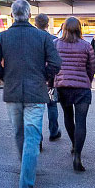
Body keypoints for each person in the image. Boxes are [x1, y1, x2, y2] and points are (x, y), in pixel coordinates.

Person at [0, 0, 61, 188]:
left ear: (12, 15)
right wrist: (43, 76)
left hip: (12, 92)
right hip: (35, 92)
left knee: (19, 134)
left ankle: (26, 170)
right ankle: (26, 183)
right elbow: (56, 63)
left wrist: (6, 77)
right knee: (32, 135)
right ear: (29, 15)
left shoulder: (1, 37)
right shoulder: (42, 37)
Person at [53, 17, 95, 172]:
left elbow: (51, 65)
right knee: (81, 121)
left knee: (68, 117)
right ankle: (77, 155)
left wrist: (53, 81)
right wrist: (87, 80)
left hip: (63, 86)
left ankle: (73, 143)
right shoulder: (86, 45)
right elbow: (91, 67)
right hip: (82, 88)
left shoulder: (55, 44)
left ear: (64, 28)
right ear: (79, 28)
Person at [34, 13, 61, 142]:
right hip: (50, 79)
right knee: (52, 105)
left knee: (37, 109)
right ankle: (54, 131)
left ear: (35, 24)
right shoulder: (54, 39)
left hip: (35, 79)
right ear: (47, 24)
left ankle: (38, 139)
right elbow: (56, 61)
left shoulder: (30, 39)